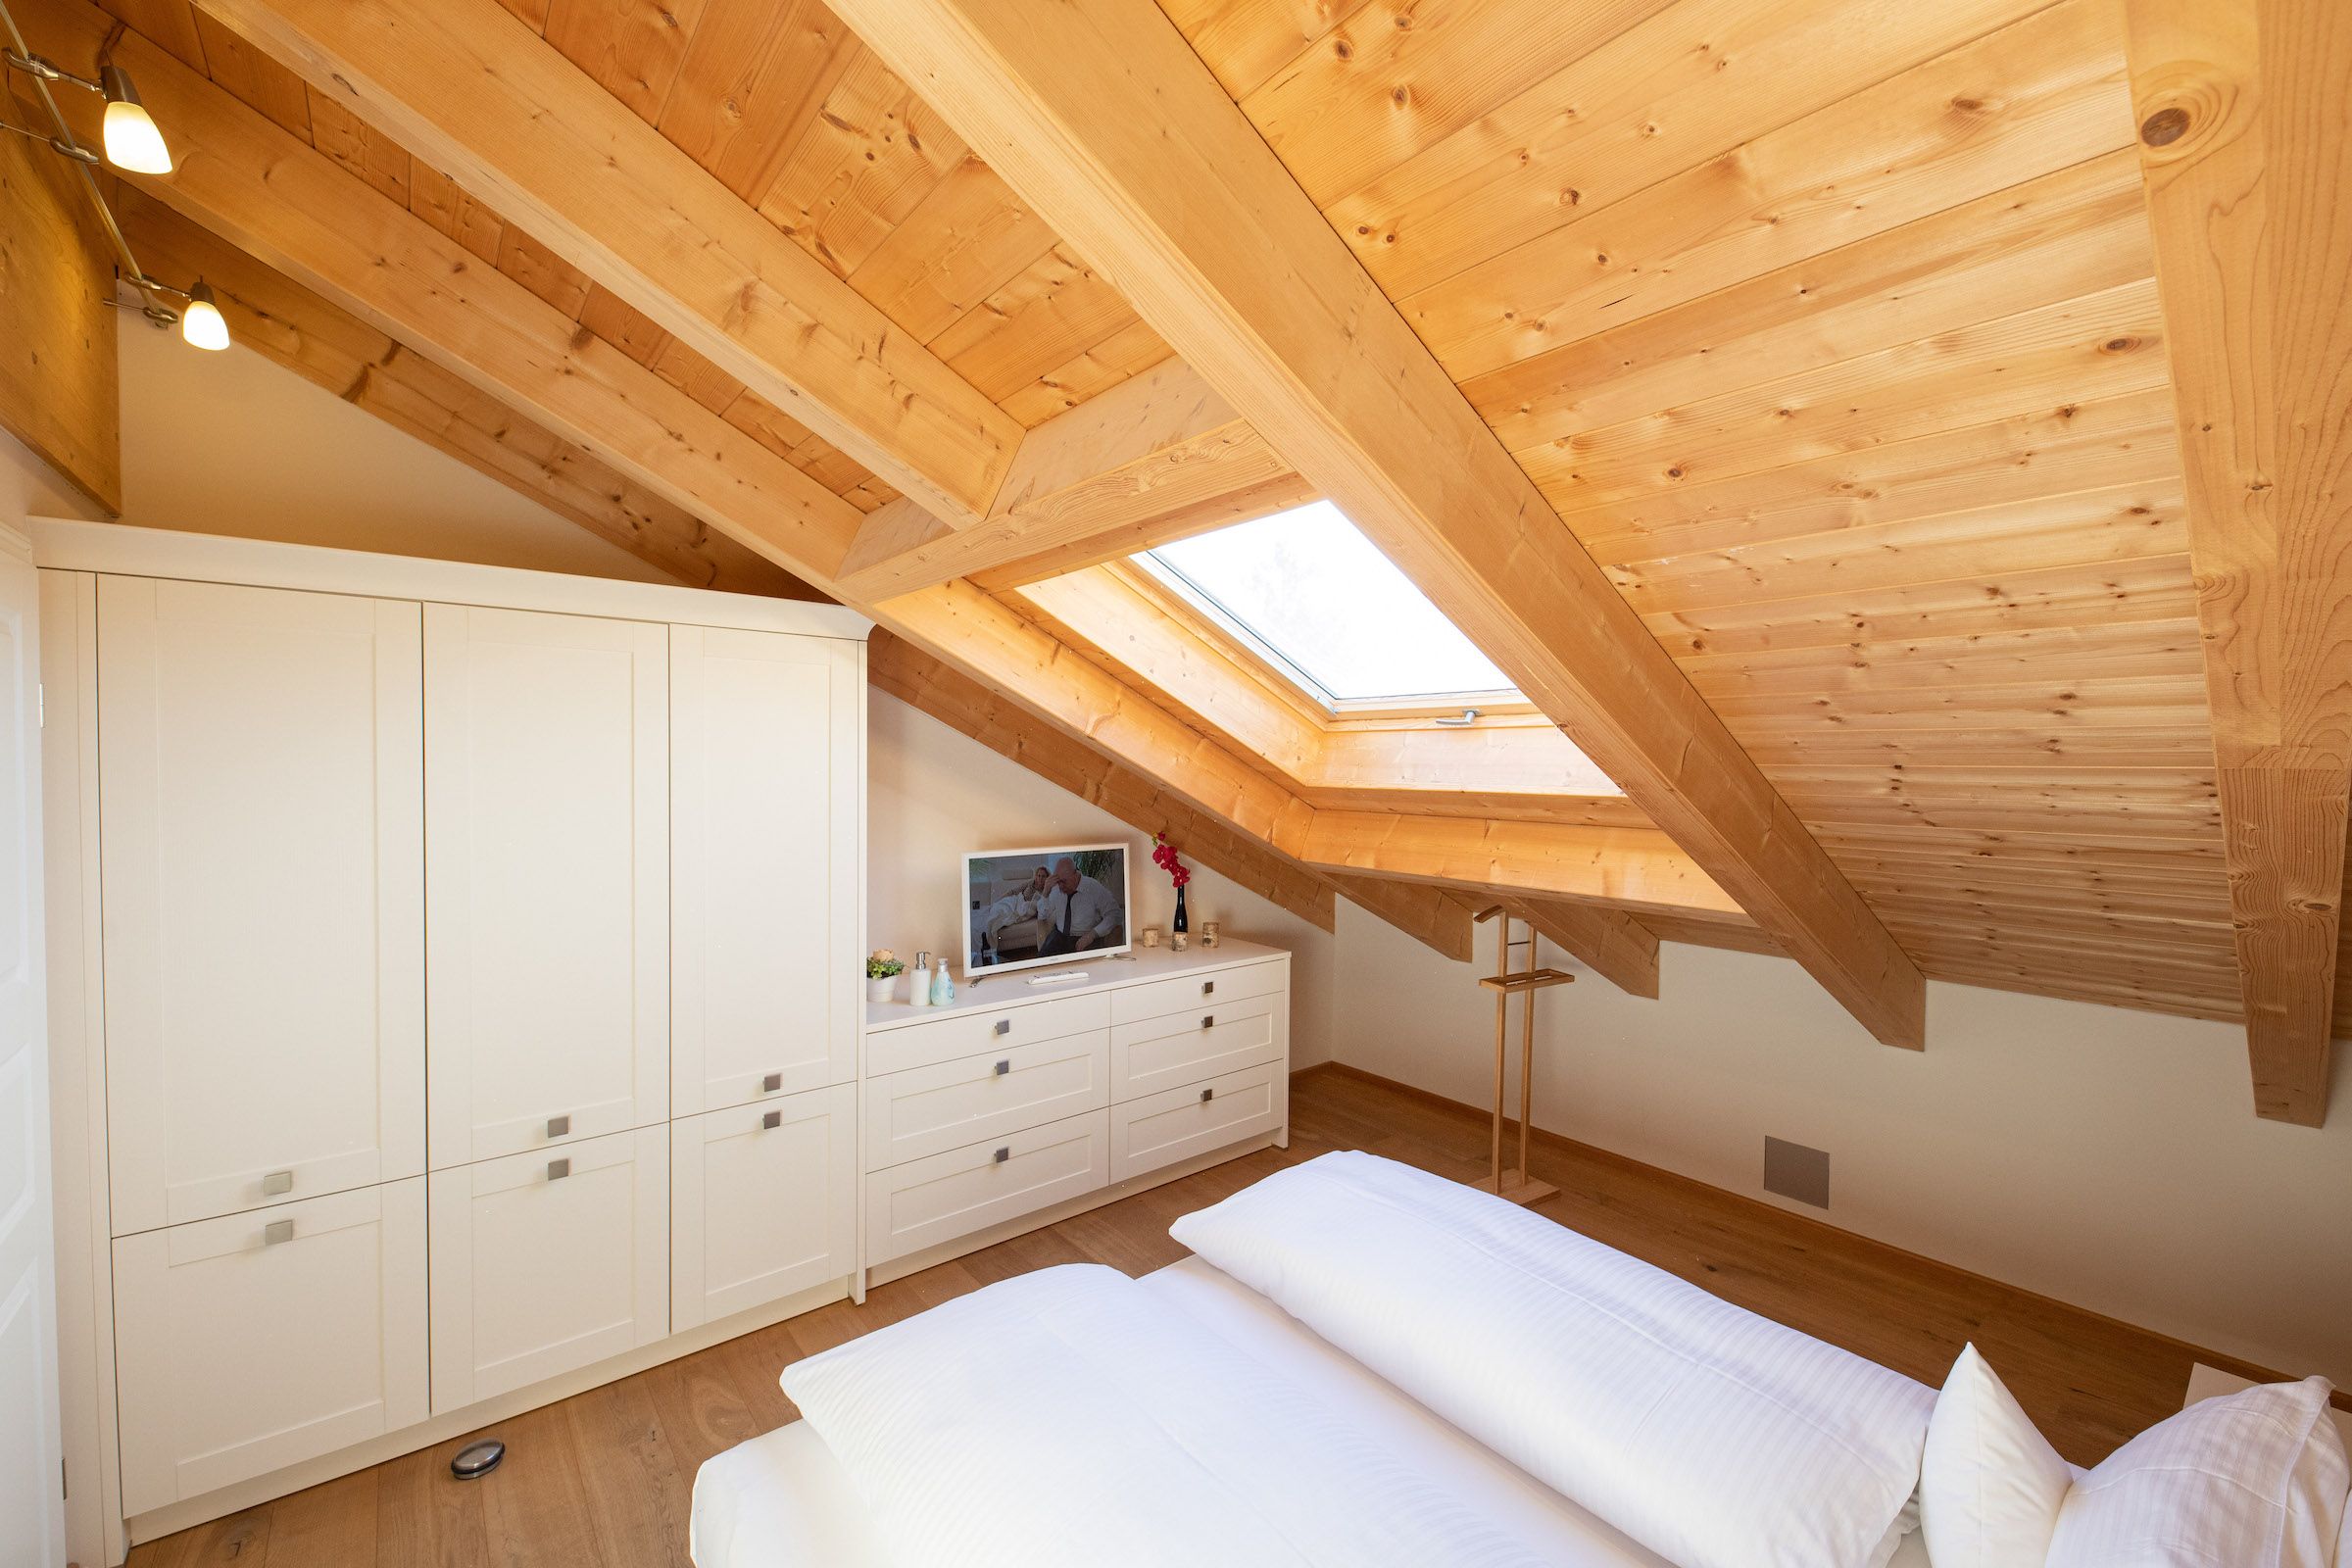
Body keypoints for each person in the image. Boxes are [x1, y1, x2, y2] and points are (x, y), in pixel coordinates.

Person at [1037, 856, 1124, 956]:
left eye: (1064, 882)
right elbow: (1042, 915)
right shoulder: (1056, 887)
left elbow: (1115, 914)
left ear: (1075, 875)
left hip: (1085, 937)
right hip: (1059, 936)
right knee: (1041, 962)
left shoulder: (1093, 887)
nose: (1060, 886)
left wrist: (1092, 934)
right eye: (1058, 881)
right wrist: (1045, 893)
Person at [976, 866, 1051, 957]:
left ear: (1047, 878)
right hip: (1014, 901)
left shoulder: (1047, 891)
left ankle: (987, 942)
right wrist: (998, 901)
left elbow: (1041, 907)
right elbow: (1014, 891)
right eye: (1038, 875)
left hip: (1022, 907)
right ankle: (986, 936)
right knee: (999, 910)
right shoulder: (1030, 883)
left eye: (1043, 876)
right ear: (1035, 876)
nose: (1040, 879)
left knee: (999, 917)